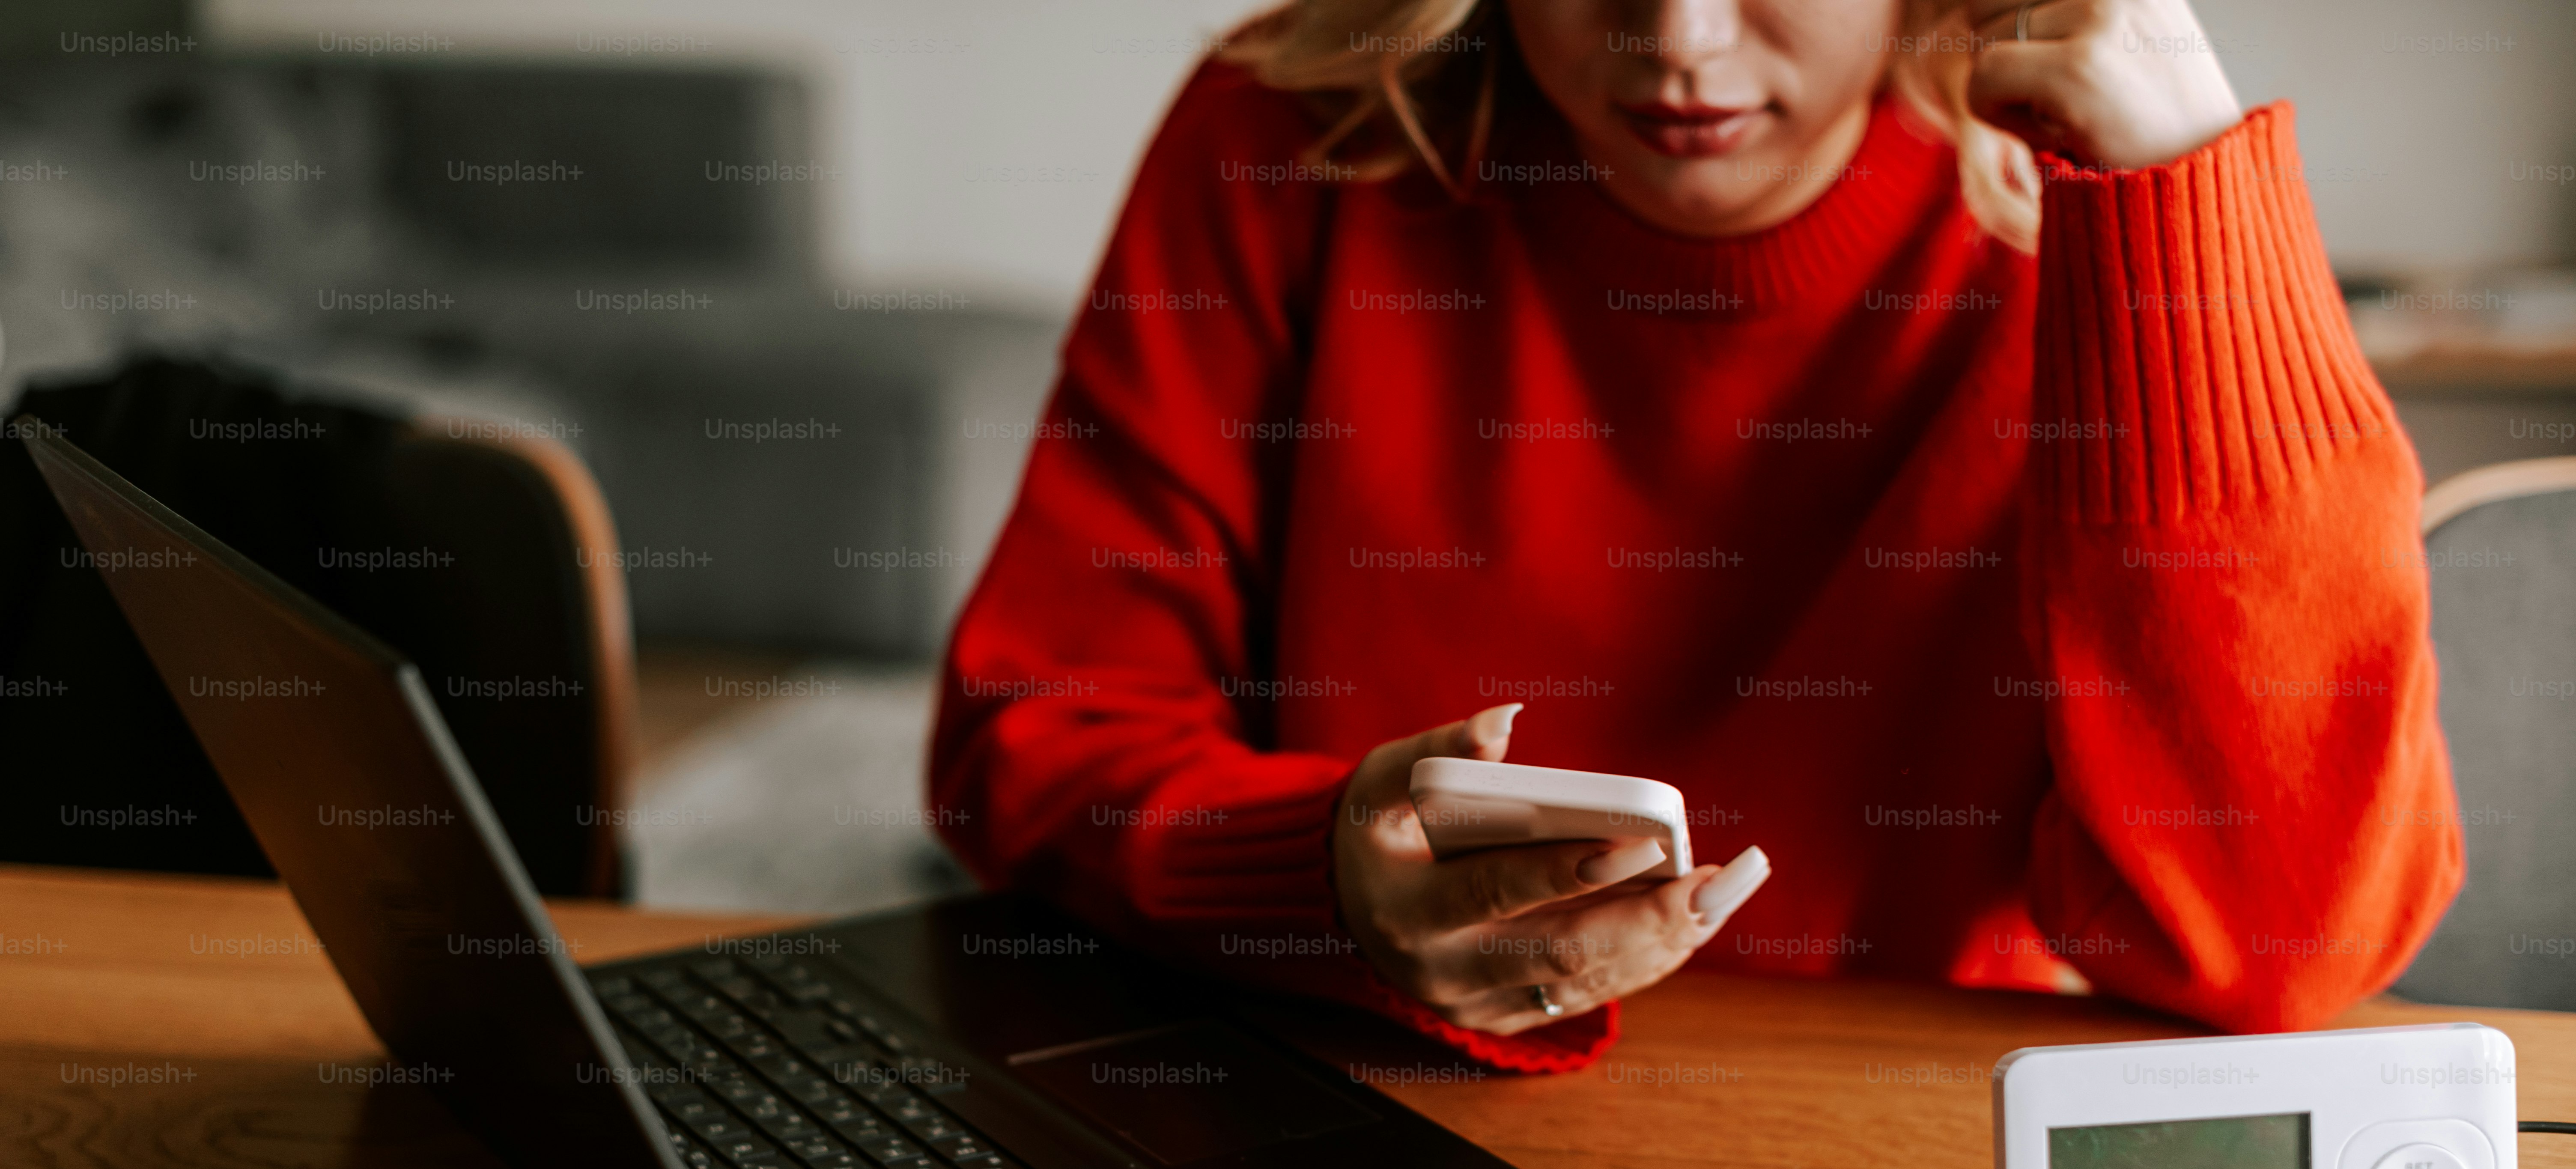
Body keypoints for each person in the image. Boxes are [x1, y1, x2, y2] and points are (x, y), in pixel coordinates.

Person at [929, 0, 2459, 1072]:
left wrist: (2188, 214)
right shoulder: (1291, 143)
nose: (1680, 41)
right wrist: (1320, 879)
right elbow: (1030, 735)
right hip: (1356, 1105)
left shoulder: (2090, 220)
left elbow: (2286, 942)